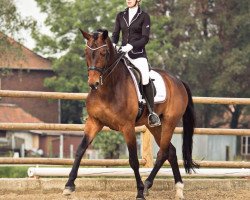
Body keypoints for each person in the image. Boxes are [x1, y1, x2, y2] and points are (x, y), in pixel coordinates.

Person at [112, 0, 161, 127]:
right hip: (122, 53)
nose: (128, 0)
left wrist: (131, 46)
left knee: (145, 77)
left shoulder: (144, 16)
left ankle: (152, 113)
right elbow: (116, 34)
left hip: (138, 55)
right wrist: (113, 44)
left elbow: (145, 38)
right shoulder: (120, 15)